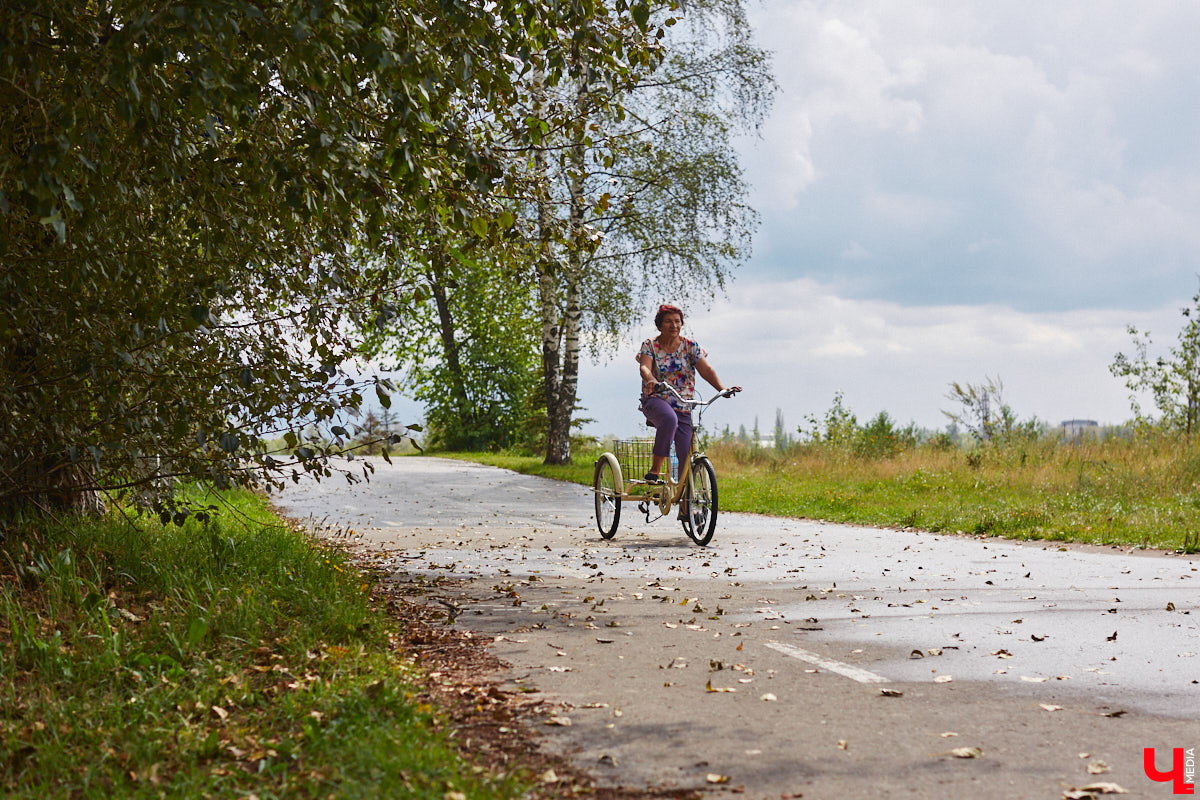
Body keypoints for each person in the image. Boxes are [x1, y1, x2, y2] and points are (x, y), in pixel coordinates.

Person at [637, 304, 740, 483]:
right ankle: (654, 471)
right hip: (656, 398)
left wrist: (722, 389)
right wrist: (651, 380)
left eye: (677, 321)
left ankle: (686, 507)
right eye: (668, 321)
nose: (674, 325)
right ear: (659, 325)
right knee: (669, 420)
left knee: (685, 458)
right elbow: (644, 367)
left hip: (683, 403)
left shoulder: (690, 346)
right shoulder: (650, 345)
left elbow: (706, 370)